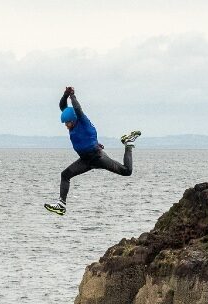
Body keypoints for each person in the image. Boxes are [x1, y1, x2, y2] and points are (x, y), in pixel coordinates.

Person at [44, 86, 141, 216]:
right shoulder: (71, 118)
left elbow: (77, 108)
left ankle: (128, 143)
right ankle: (61, 205)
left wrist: (72, 95)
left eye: (67, 123)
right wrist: (65, 94)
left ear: (73, 119)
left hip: (97, 157)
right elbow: (63, 106)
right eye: (65, 123)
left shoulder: (82, 120)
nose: (66, 125)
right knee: (65, 175)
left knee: (127, 171)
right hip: (85, 160)